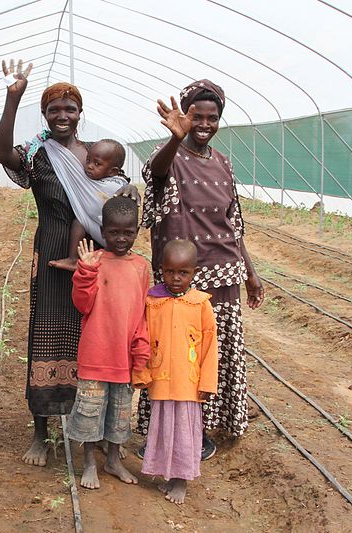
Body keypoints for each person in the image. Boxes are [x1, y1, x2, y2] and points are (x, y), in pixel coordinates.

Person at [0, 59, 139, 467]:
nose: (62, 116)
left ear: (80, 114)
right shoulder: (38, 153)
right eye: (54, 109)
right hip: (52, 248)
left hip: (93, 256)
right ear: (44, 115)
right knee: (46, 331)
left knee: (91, 337)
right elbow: (3, 152)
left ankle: (88, 429)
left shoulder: (95, 155)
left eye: (69, 109)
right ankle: (41, 430)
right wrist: (13, 98)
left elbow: (119, 198)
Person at [135, 79, 265, 460]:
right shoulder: (169, 155)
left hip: (224, 275)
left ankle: (203, 430)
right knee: (175, 358)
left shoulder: (223, 163)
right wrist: (176, 137)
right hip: (182, 279)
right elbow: (155, 174)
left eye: (213, 117)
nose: (204, 124)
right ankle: (167, 432)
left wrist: (251, 274)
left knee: (213, 355)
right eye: (197, 116)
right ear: (186, 116)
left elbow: (233, 224)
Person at [68, 196, 150, 489]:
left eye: (128, 233)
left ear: (137, 231)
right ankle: (89, 462)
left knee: (119, 415)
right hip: (95, 355)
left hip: (123, 359)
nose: (121, 238)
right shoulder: (94, 262)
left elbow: (141, 313)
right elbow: (82, 304)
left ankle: (113, 460)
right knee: (90, 413)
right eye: (114, 232)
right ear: (103, 230)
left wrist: (140, 352)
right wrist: (86, 272)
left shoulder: (141, 267)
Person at [134, 239, 218, 505]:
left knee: (183, 431)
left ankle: (181, 480)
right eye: (170, 271)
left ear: (194, 272)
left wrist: (207, 381)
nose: (176, 278)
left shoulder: (200, 304)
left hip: (188, 383)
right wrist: (141, 372)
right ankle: (168, 475)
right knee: (163, 428)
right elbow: (143, 337)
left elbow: (210, 345)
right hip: (160, 379)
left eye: (183, 273)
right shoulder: (152, 301)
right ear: (161, 269)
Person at [49, 139, 128, 272]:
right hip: (98, 229)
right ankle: (73, 259)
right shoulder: (86, 180)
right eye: (88, 161)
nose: (90, 166)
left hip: (114, 235)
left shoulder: (114, 186)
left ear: (112, 172)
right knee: (79, 221)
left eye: (97, 164)